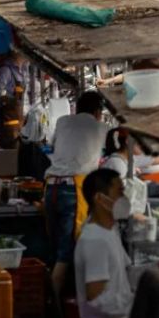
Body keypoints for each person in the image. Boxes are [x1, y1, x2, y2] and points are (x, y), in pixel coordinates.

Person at [75, 168, 159, 318]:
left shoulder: (110, 230)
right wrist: (142, 301)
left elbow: (126, 274)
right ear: (100, 198)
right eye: (120, 192)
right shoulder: (95, 240)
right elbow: (97, 301)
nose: (124, 199)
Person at [45, 91, 109, 296]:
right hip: (73, 191)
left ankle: (58, 300)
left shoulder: (63, 122)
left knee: (54, 248)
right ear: (98, 112)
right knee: (66, 253)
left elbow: (55, 145)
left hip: (51, 188)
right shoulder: (101, 128)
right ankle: (54, 311)